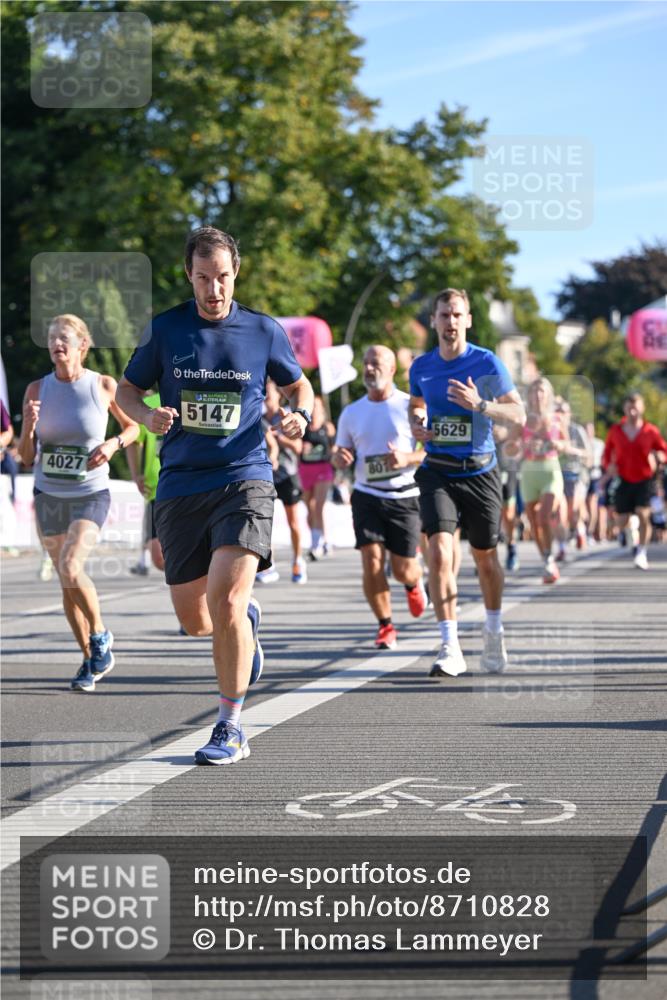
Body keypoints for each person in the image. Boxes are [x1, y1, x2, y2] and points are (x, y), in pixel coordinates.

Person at [116, 226, 314, 764]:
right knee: (197, 620)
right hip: (181, 484)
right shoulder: (165, 330)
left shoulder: (262, 330)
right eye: (203, 278)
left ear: (236, 272)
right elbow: (127, 390)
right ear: (189, 275)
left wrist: (300, 413)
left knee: (224, 600)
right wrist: (145, 416)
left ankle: (230, 726)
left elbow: (298, 384)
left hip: (245, 477)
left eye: (223, 277)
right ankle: (246, 622)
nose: (214, 289)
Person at [17, 314, 139, 690]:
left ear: (82, 346)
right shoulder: (37, 389)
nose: (57, 344)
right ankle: (89, 659)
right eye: (52, 338)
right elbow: (26, 458)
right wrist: (28, 426)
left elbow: (134, 427)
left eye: (65, 338)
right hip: (48, 493)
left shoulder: (103, 385)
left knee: (71, 566)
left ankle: (100, 635)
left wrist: (113, 444)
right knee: (66, 581)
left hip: (90, 493)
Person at [409, 288, 525, 677]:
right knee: (439, 554)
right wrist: (417, 423)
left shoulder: (486, 362)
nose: (451, 322)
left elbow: (519, 414)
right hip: (438, 469)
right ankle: (450, 646)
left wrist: (481, 405)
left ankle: (493, 630)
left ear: (468, 320)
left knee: (485, 559)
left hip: (480, 470)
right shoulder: (421, 367)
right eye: (444, 315)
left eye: (457, 315)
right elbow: (416, 403)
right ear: (434, 321)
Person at [332, 345, 427, 649]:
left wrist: (407, 458)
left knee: (402, 569)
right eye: (366, 362)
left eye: (376, 363)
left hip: (404, 496)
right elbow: (339, 451)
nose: (370, 368)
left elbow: (429, 451)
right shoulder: (352, 412)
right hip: (366, 495)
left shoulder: (410, 406)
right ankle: (385, 625)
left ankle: (413, 582)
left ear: (392, 370)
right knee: (371, 561)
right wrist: (340, 458)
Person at [601, 392, 667, 570]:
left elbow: (664, 450)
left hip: (645, 479)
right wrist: (608, 465)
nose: (632, 412)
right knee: (621, 521)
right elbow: (607, 453)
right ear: (624, 409)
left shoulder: (650, 430)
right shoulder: (616, 431)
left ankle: (641, 553)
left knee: (643, 514)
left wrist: (660, 456)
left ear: (642, 409)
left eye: (635, 408)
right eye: (629, 408)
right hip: (623, 479)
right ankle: (631, 530)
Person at [519, 377, 565, 584]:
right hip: (529, 471)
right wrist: (523, 446)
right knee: (533, 520)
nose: (537, 395)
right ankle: (547, 560)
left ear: (548, 395)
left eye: (541, 391)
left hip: (550, 469)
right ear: (529, 395)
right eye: (534, 391)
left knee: (543, 516)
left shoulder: (557, 418)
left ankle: (549, 557)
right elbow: (512, 445)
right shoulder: (522, 419)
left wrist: (557, 444)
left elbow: (566, 443)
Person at [261, 379, 308, 585]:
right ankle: (268, 565)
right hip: (267, 475)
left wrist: (279, 438)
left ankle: (298, 560)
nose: (266, 397)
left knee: (293, 522)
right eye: (264, 393)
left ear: (279, 395)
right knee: (264, 522)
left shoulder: (287, 415)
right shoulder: (259, 418)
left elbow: (298, 448)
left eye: (269, 393)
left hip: (288, 474)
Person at [125, 390, 165, 575]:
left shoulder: (196, 397)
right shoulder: (148, 404)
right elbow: (134, 439)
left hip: (194, 485)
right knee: (159, 557)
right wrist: (136, 475)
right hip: (157, 488)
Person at [554, 399, 592, 558]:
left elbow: (588, 454)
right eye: (557, 411)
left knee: (573, 511)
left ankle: (580, 530)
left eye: (563, 411)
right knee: (559, 512)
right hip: (557, 474)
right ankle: (562, 547)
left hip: (576, 474)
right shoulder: (551, 430)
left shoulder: (577, 430)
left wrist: (572, 450)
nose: (560, 415)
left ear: (569, 414)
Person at [300, 395, 336, 559]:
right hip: (306, 469)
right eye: (312, 406)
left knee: (318, 506)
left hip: (323, 469)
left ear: (322, 408)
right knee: (309, 508)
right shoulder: (304, 426)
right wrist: (302, 447)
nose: (314, 409)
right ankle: (320, 538)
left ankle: (318, 544)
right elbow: (297, 447)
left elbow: (335, 448)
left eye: (317, 406)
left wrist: (334, 455)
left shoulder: (327, 427)